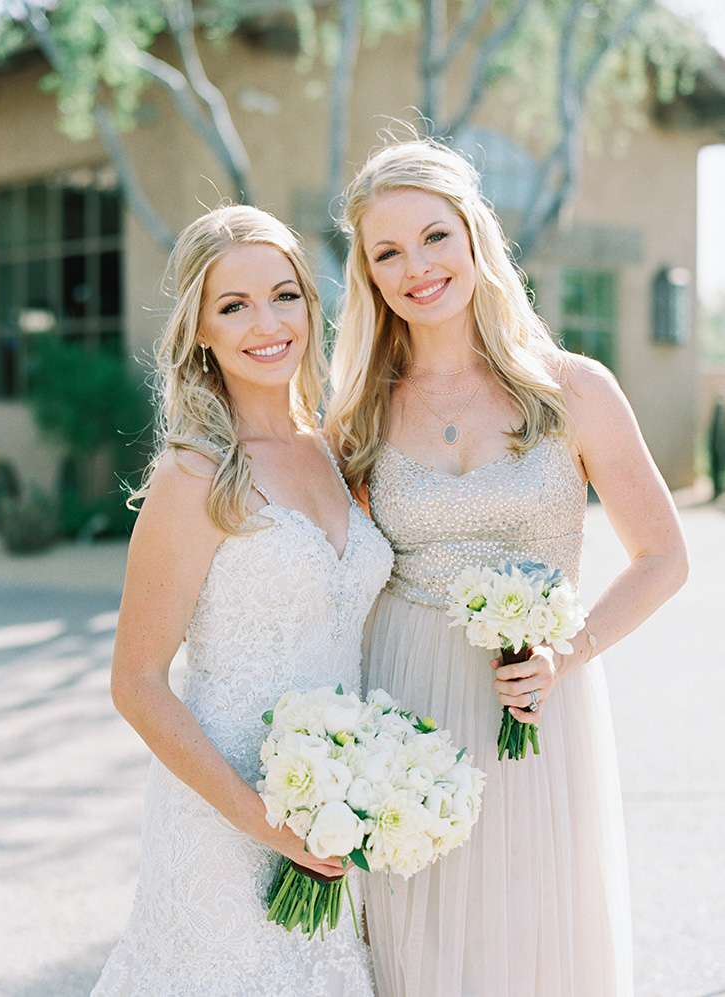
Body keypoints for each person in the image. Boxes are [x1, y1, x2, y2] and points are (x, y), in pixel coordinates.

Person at [328, 138, 688, 997]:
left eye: (434, 236)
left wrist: (571, 652)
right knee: (419, 943)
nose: (417, 266)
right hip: (403, 703)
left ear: (475, 235)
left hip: (534, 702)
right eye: (388, 252)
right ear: (369, 274)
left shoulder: (573, 389)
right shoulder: (359, 416)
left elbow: (664, 556)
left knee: (532, 937)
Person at [90, 204, 393, 997]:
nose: (268, 322)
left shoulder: (337, 452)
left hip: (333, 819)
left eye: (285, 295)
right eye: (235, 305)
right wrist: (264, 821)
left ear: (310, 304)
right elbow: (137, 681)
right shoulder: (194, 474)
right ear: (200, 329)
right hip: (223, 822)